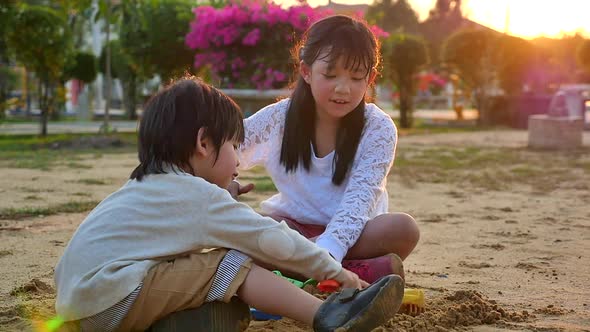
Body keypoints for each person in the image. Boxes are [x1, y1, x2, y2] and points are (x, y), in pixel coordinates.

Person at [54, 77, 405, 332]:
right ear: (204, 143)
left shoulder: (142, 186)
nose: (239, 158)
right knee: (232, 263)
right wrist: (335, 273)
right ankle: (326, 315)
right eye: (235, 146)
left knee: (214, 298)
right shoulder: (200, 198)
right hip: (112, 298)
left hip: (78, 304)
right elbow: (270, 239)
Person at [233, 15, 420, 284]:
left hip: (356, 234)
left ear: (370, 78)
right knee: (246, 232)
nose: (343, 89)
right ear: (306, 72)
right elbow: (227, 149)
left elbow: (359, 203)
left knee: (403, 228)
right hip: (291, 228)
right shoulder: (278, 119)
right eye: (330, 75)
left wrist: (324, 252)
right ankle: (357, 273)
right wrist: (226, 183)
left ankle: (301, 270)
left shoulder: (378, 128)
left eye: (356, 77)